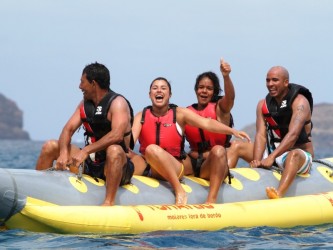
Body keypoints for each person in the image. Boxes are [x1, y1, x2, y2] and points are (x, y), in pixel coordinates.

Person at [130, 77, 251, 205]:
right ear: (150, 95)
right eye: (155, 88)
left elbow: (207, 123)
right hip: (148, 163)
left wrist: (232, 131)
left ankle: (179, 190)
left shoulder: (180, 113)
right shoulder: (141, 116)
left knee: (152, 149)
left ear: (170, 95)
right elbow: (130, 142)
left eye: (163, 88)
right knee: (126, 159)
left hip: (174, 165)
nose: (159, 90)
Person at [35, 62, 135, 206]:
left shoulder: (117, 103)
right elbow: (67, 129)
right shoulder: (84, 105)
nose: (80, 86)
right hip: (90, 162)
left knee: (114, 150)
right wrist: (63, 152)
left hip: (115, 165)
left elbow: (117, 135)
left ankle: (108, 203)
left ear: (93, 83)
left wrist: (86, 151)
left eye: (82, 82)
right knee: (50, 146)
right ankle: (38, 193)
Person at [183, 58, 253, 181]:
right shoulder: (187, 112)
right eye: (201, 87)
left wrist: (226, 76)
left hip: (220, 159)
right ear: (196, 90)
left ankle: (268, 163)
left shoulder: (220, 109)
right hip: (196, 161)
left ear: (214, 92)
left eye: (209, 88)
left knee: (237, 146)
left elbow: (230, 98)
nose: (204, 91)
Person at [250, 66, 314, 199]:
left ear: (286, 82)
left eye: (275, 80)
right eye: (268, 80)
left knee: (294, 155)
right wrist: (256, 160)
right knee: (237, 147)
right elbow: (261, 135)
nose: (270, 84)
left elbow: (293, 135)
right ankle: (221, 190)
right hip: (273, 152)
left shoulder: (300, 102)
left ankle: (279, 193)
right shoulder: (263, 104)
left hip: (299, 154)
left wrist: (271, 157)